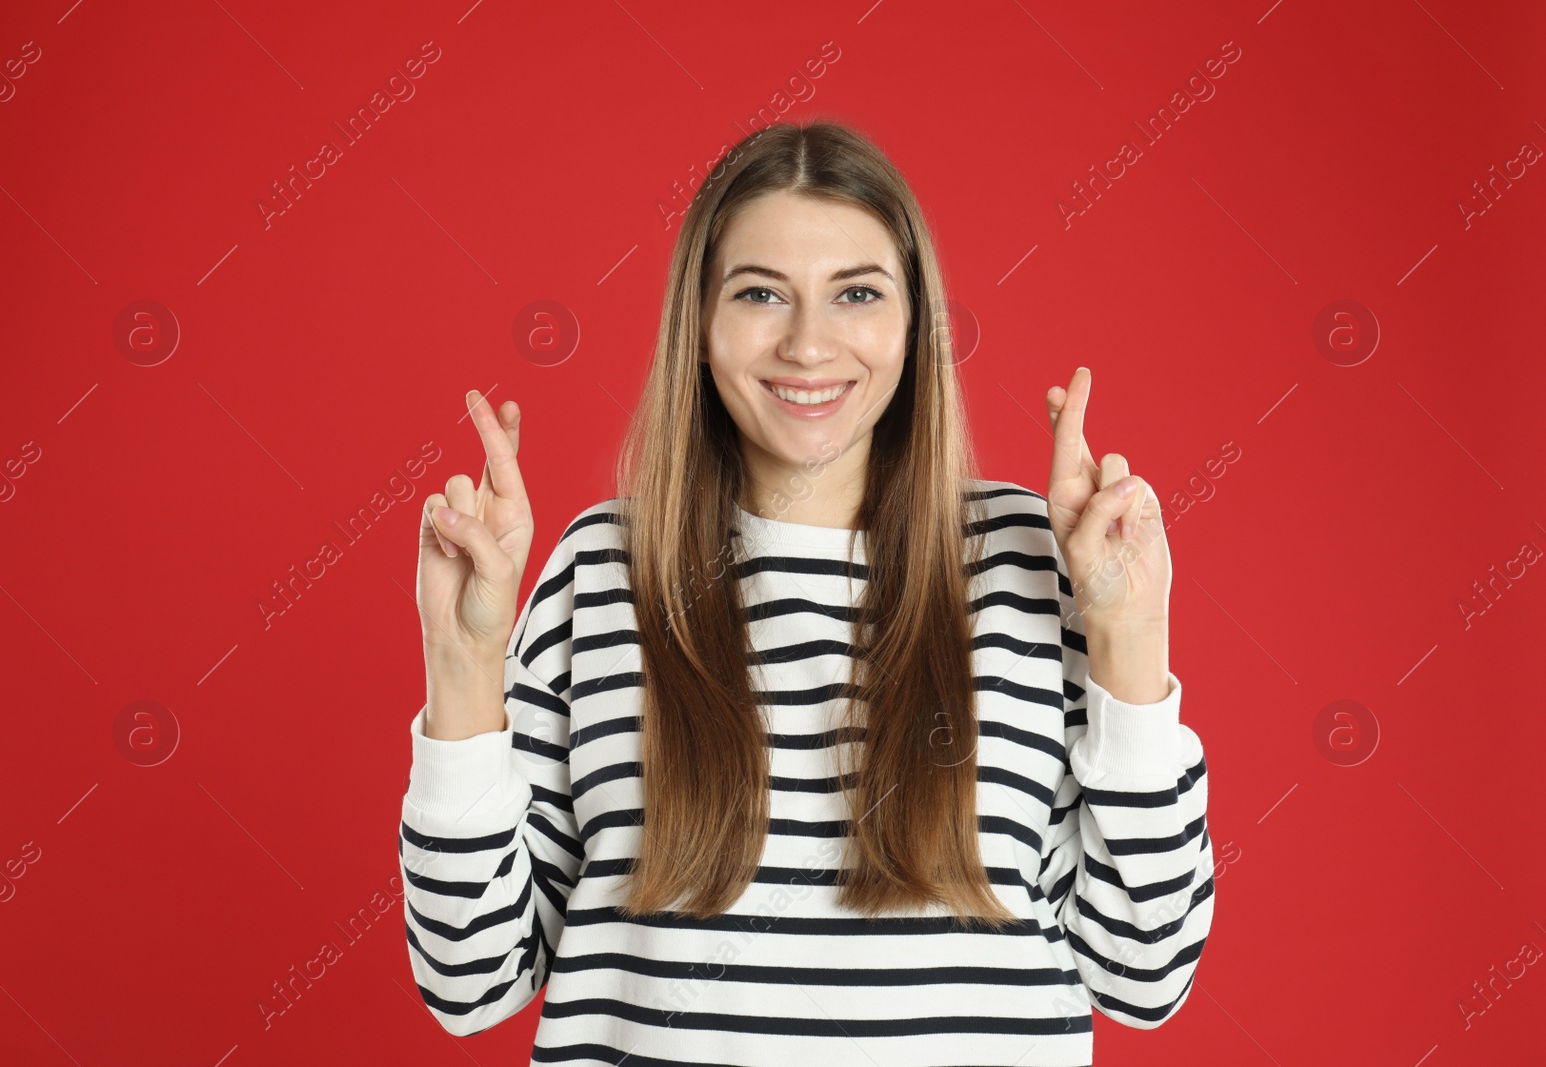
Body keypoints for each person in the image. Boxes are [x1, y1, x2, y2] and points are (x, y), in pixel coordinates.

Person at [400, 120, 1214, 1066]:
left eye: (857, 293)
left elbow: (1145, 976)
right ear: (698, 329)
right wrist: (462, 663)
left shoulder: (1034, 559)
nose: (808, 343)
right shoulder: (602, 569)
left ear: (913, 328)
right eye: (759, 294)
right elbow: (471, 984)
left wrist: (1129, 636)